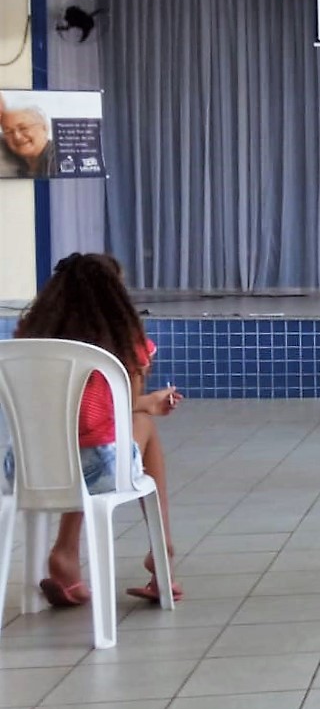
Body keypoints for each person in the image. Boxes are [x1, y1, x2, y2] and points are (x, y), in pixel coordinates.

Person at [4, 253, 182, 606]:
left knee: (76, 443)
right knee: (137, 428)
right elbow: (124, 408)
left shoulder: (27, 336)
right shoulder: (122, 339)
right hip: (96, 469)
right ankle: (161, 546)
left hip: (25, 467)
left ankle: (65, 554)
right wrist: (149, 404)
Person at [0, 98, 57, 179]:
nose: (17, 136)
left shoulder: (59, 159)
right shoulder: (16, 161)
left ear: (44, 127)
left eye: (23, 128)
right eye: (8, 132)